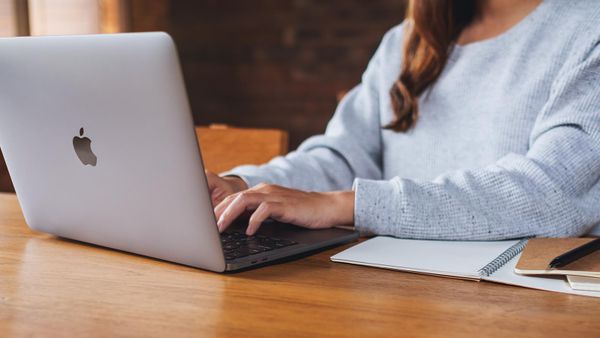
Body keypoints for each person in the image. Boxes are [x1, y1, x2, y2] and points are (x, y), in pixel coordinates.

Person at [206, 0, 600, 240]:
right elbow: (344, 157)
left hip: (522, 304)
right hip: (393, 287)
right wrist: (243, 187)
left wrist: (350, 205)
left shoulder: (587, 30)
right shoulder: (406, 41)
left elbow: (552, 193)